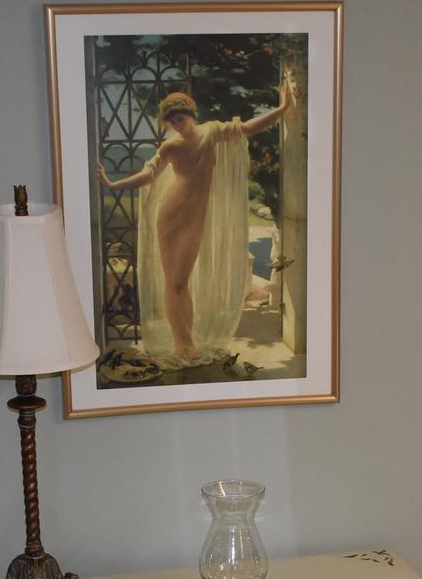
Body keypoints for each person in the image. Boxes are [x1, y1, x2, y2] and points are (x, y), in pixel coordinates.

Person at [98, 77, 297, 367]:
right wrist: (112, 185)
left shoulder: (212, 133)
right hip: (171, 215)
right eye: (172, 122)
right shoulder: (170, 148)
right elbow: (148, 175)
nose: (178, 125)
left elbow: (249, 127)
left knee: (181, 283)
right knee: (174, 283)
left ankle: (185, 341)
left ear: (191, 115)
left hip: (195, 217)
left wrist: (283, 108)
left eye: (180, 118)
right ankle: (184, 344)